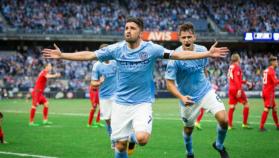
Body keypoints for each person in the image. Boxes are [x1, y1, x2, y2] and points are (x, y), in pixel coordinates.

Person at [42, 17, 228, 158]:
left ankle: (217, 145)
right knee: (120, 147)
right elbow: (89, 55)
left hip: (143, 103)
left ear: (140, 33)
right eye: (126, 28)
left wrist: (208, 54)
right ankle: (125, 141)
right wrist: (62, 55)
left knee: (142, 139)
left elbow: (178, 56)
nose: (128, 31)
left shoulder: (151, 49)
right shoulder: (116, 49)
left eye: (132, 28)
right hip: (120, 103)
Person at [165, 23, 229, 158]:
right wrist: (181, 97)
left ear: (194, 37)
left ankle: (219, 145)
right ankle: (189, 153)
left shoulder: (203, 50)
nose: (187, 40)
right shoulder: (174, 57)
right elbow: (169, 84)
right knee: (188, 129)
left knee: (223, 120)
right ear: (179, 39)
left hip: (205, 91)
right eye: (184, 37)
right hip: (187, 98)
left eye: (189, 37)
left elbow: (203, 69)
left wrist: (205, 81)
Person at [90, 43, 117, 148]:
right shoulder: (97, 65)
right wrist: (100, 82)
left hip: (117, 95)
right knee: (108, 120)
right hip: (104, 97)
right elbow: (93, 83)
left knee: (116, 119)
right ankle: (112, 138)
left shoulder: (115, 62)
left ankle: (118, 138)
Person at [227, 53, 253, 130]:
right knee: (246, 104)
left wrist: (246, 82)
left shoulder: (230, 67)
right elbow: (236, 79)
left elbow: (235, 79)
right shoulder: (237, 67)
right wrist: (239, 89)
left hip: (231, 88)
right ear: (238, 59)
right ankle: (244, 124)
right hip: (236, 88)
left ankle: (229, 125)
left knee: (232, 107)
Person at [259, 55, 279, 131]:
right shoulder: (271, 71)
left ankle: (278, 125)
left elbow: (271, 82)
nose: (277, 62)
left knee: (274, 108)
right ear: (272, 62)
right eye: (276, 61)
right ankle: (261, 127)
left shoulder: (266, 70)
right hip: (269, 93)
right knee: (266, 109)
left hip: (266, 91)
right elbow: (275, 81)